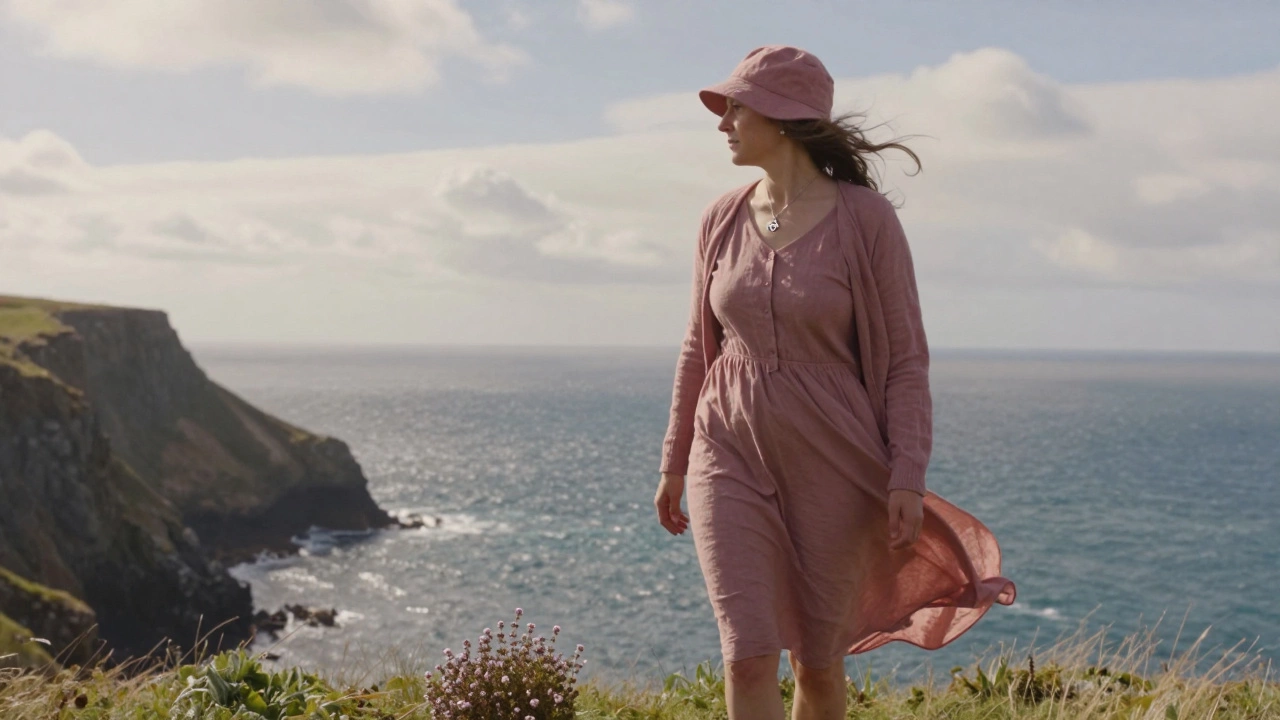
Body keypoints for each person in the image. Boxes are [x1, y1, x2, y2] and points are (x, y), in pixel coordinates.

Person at [654, 45, 1016, 720]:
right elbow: (697, 347)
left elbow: (904, 358)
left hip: (835, 458)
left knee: (817, 663)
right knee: (747, 651)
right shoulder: (721, 218)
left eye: (736, 109)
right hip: (727, 449)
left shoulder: (865, 219)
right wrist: (674, 460)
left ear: (782, 116)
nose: (722, 122)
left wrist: (907, 474)